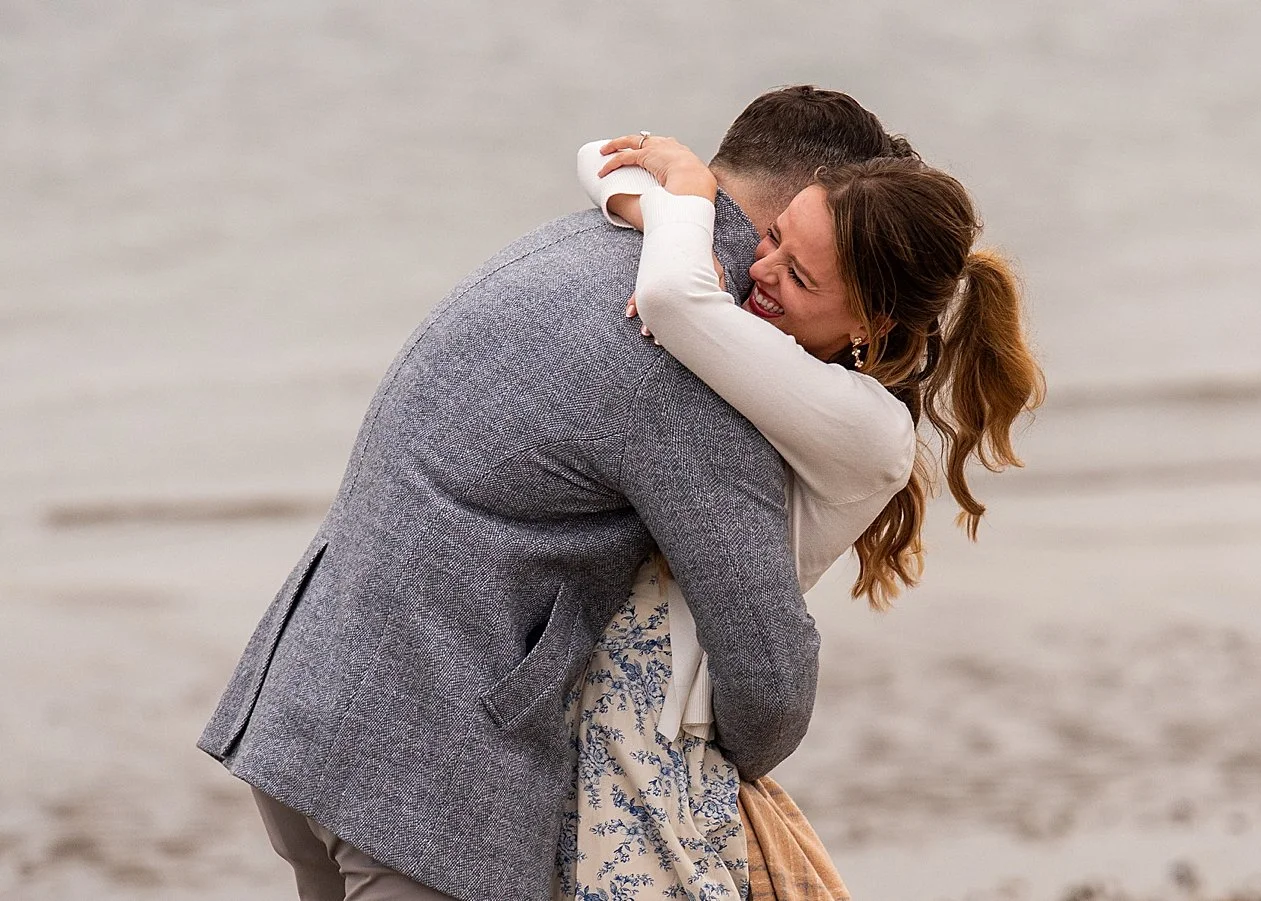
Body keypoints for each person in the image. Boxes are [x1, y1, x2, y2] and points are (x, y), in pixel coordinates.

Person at [197, 85, 911, 901]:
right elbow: (769, 677)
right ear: (814, 205)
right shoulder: (695, 360)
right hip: (426, 775)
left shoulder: (578, 243)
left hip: (308, 701)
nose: (771, 274)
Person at [554, 134, 1045, 899]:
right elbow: (598, 154)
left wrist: (686, 193)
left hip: (654, 734)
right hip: (595, 706)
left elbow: (670, 300)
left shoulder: (868, 429)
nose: (757, 268)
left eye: (799, 276)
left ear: (871, 327)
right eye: (774, 236)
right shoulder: (759, 344)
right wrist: (670, 219)